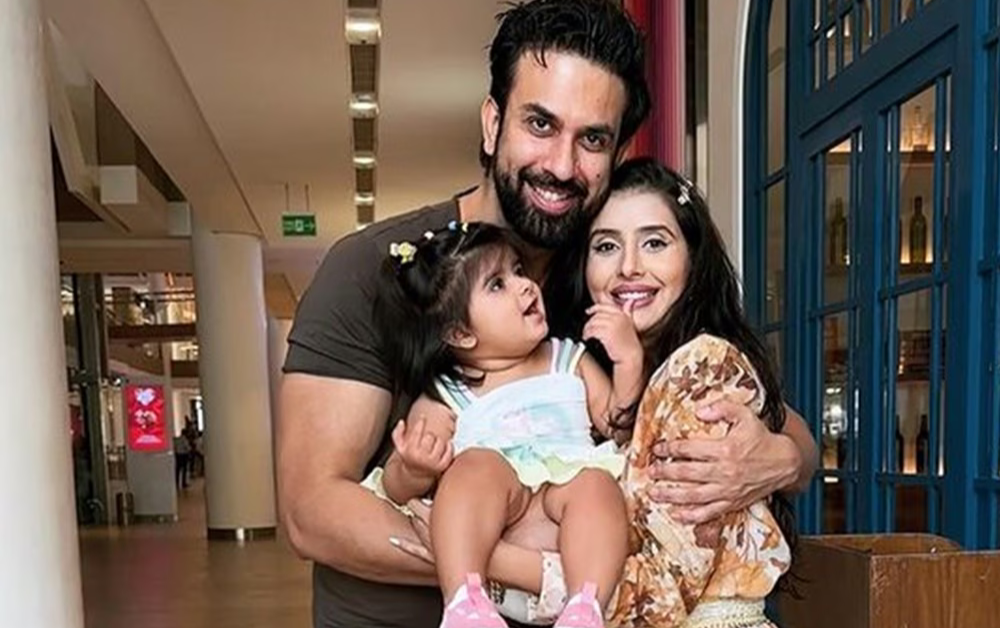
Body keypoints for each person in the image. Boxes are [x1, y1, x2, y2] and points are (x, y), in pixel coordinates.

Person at [276, 1, 817, 626]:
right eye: (540, 124)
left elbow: (782, 432)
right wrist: (505, 561)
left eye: (593, 139)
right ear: (492, 124)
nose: (562, 165)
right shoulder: (376, 272)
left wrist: (779, 461)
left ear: (616, 154)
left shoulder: (607, 278)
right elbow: (311, 515)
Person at [395, 158, 797, 627]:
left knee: (592, 486)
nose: (629, 267)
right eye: (606, 246)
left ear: (693, 256)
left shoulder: (695, 367)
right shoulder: (558, 352)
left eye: (654, 242)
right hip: (518, 537)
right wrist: (416, 471)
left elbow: (661, 587)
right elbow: (404, 478)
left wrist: (481, 556)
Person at [370, 222, 641, 628]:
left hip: (566, 540)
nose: (525, 285)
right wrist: (414, 468)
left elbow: (620, 429)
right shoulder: (449, 394)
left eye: (518, 270)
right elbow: (394, 487)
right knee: (474, 466)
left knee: (596, 484)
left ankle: (585, 609)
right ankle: (464, 604)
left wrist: (629, 361)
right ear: (460, 333)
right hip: (501, 553)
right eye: (498, 284)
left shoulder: (567, 359)